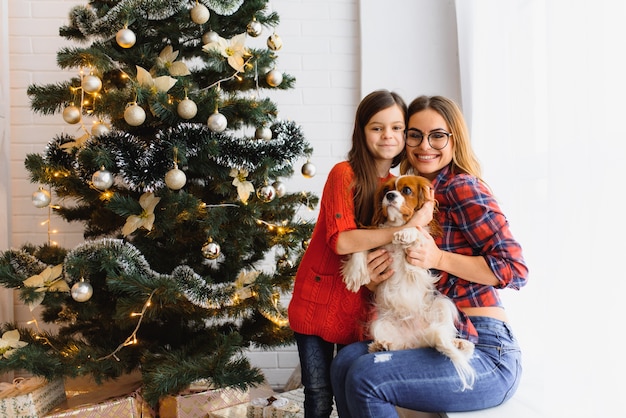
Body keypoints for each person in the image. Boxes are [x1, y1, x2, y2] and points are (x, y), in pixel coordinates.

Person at [330, 95, 529, 417]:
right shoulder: (417, 192)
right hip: (428, 328)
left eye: (437, 135)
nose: (425, 145)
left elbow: (515, 269)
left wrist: (437, 259)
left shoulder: (462, 187)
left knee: (367, 377)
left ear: (454, 140)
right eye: (415, 135)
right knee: (344, 363)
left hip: (485, 346)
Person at [287, 90, 434, 418]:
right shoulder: (344, 174)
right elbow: (341, 241)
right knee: (319, 394)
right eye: (377, 128)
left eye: (397, 128)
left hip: (362, 307)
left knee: (348, 392)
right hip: (319, 302)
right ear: (361, 132)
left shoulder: (398, 187)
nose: (388, 136)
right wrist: (405, 228)